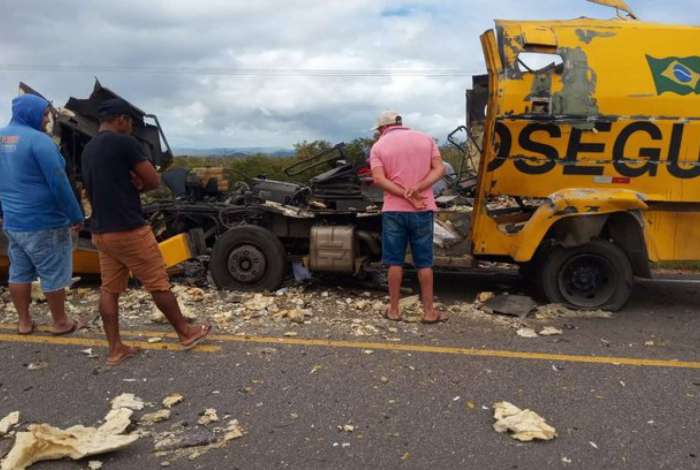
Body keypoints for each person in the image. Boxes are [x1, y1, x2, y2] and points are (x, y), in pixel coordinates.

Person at [81, 98, 211, 366]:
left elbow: (97, 186)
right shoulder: (124, 143)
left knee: (110, 289)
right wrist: (139, 185)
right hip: (128, 229)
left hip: (101, 231)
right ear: (121, 119)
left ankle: (115, 348)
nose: (131, 128)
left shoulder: (89, 148)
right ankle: (186, 333)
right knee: (157, 282)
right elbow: (153, 180)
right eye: (130, 123)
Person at [0, 94, 85, 335]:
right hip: (44, 221)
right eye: (45, 114)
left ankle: (24, 322)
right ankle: (60, 322)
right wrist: (75, 215)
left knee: (19, 272)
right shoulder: (40, 141)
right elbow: (59, 182)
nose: (47, 118)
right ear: (32, 113)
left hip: (14, 221)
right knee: (53, 273)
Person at [369, 111, 446, 323]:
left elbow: (378, 178)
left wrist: (404, 194)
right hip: (423, 209)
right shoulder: (426, 139)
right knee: (424, 263)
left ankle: (394, 310)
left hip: (394, 210)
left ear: (382, 128)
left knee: (394, 262)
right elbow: (440, 169)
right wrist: (417, 189)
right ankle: (429, 312)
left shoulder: (378, 146)